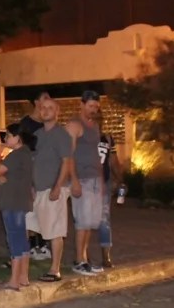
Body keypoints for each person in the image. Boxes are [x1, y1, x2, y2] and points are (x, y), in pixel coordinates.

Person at [31, 99, 74, 283]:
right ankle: (19, 261)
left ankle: (55, 269)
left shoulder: (61, 134)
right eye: (43, 108)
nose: (46, 111)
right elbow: (33, 161)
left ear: (57, 112)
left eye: (50, 108)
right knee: (30, 226)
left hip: (54, 189)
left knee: (55, 230)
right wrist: (31, 186)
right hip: (38, 190)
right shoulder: (37, 134)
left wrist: (58, 187)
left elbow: (67, 162)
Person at [0, 124, 36, 290]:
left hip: (12, 202)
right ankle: (23, 276)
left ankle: (14, 280)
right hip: (19, 201)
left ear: (18, 137)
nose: (5, 139)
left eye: (8, 136)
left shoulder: (16, 155)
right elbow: (5, 176)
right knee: (21, 238)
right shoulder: (25, 154)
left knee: (14, 238)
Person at [67, 90, 105, 275]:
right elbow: (68, 154)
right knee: (82, 221)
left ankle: (85, 258)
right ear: (81, 104)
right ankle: (78, 260)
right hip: (81, 178)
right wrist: (73, 180)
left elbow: (96, 153)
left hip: (95, 178)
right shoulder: (74, 125)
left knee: (90, 222)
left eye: (96, 106)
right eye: (90, 106)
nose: (93, 110)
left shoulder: (95, 126)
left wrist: (101, 179)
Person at [19, 91, 51, 260]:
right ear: (37, 102)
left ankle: (42, 242)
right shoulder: (26, 124)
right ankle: (31, 243)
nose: (48, 102)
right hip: (31, 172)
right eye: (45, 99)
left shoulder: (48, 124)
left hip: (45, 173)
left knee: (44, 209)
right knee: (30, 210)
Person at [98, 132, 121, 268]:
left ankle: (106, 255)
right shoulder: (81, 134)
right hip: (87, 182)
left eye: (100, 117)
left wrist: (120, 179)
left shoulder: (107, 138)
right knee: (85, 222)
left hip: (104, 183)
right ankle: (84, 256)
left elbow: (113, 160)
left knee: (104, 219)